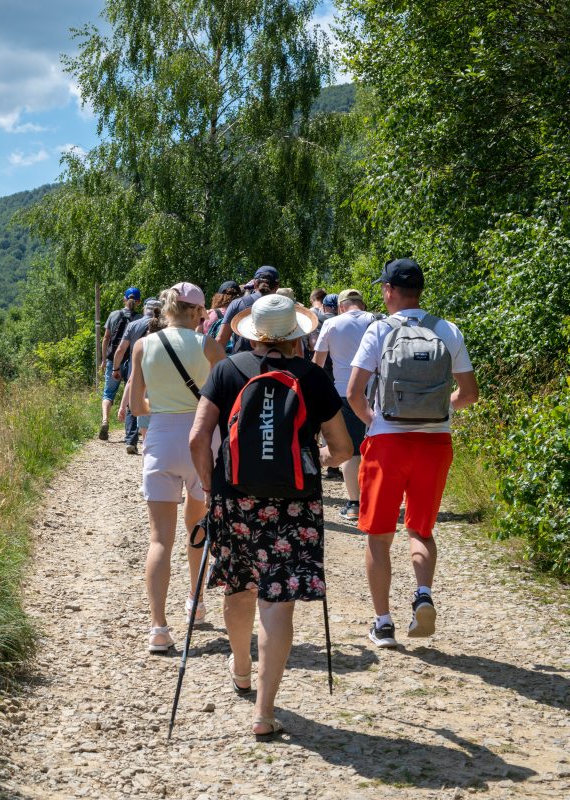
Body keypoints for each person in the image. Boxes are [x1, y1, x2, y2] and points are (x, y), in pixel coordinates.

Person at [188, 294, 352, 739]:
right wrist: (312, 456)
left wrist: (210, 487)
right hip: (295, 505)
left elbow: (198, 437)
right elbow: (343, 449)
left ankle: (241, 666)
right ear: (297, 335)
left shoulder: (227, 370)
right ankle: (264, 711)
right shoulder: (313, 378)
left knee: (238, 584)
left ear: (253, 334)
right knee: (277, 600)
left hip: (234, 499)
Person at [347, 258, 479, 648]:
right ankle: (423, 594)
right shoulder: (447, 330)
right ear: (420, 291)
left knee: (378, 535)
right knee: (420, 529)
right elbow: (469, 394)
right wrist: (441, 410)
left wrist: (376, 420)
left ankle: (383, 623)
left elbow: (354, 393)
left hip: (388, 443)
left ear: (388, 291)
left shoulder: (379, 330)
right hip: (435, 444)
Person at [128, 283, 226, 653]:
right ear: (200, 312)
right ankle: (196, 601)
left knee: (159, 540)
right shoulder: (210, 347)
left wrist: (164, 407)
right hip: (202, 442)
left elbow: (137, 407)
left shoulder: (143, 346)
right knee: (197, 528)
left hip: (162, 442)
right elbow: (227, 398)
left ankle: (158, 627)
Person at [313, 289, 375, 521]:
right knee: (377, 447)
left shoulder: (331, 324)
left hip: (343, 393)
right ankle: (376, 499)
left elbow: (317, 363)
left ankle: (354, 504)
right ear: (363, 304)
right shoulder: (378, 322)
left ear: (340, 306)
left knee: (352, 450)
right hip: (376, 392)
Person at [112, 297, 163, 454]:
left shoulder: (133, 325)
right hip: (165, 395)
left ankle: (131, 439)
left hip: (139, 367)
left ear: (145, 309)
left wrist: (115, 367)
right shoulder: (168, 332)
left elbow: (121, 349)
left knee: (135, 404)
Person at [99, 287, 140, 440]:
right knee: (130, 392)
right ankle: (130, 429)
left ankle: (105, 420)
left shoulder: (114, 315)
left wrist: (104, 360)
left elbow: (106, 338)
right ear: (139, 301)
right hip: (130, 360)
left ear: (124, 299)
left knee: (108, 393)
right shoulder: (140, 318)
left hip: (113, 359)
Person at [215, 266, 280, 354]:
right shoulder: (288, 306)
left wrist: (222, 366)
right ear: (277, 286)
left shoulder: (237, 304)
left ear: (255, 284)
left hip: (242, 363)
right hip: (278, 364)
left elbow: (221, 340)